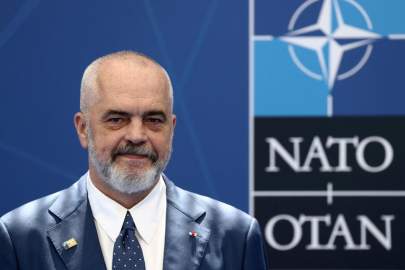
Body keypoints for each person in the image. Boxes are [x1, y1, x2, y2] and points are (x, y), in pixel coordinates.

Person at [0, 51, 268, 270]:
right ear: (83, 129)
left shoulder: (235, 236)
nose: (137, 135)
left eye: (154, 120)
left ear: (171, 129)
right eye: (117, 119)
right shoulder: (19, 238)